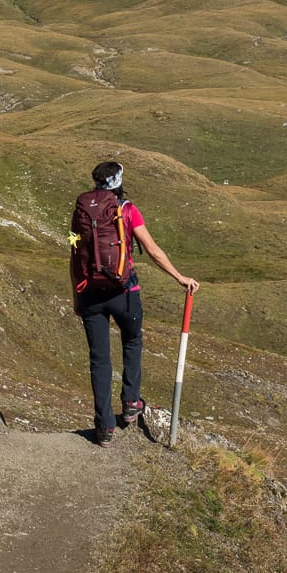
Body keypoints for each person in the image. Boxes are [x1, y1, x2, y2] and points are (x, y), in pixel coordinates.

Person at [70, 158, 199, 447]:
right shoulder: (126, 210)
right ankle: (130, 403)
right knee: (132, 341)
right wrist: (179, 277)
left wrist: (77, 296)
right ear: (118, 182)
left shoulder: (80, 211)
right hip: (123, 292)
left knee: (99, 360)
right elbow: (151, 249)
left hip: (90, 294)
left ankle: (103, 429)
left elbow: (74, 251)